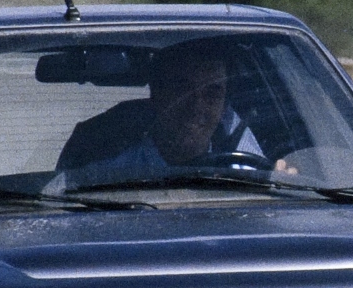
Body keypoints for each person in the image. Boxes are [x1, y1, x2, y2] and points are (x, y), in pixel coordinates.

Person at [55, 39, 270, 187]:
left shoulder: (247, 174)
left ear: (224, 106)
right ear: (157, 93)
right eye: (183, 89)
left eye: (212, 93)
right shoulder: (106, 175)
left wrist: (284, 178)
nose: (197, 105)